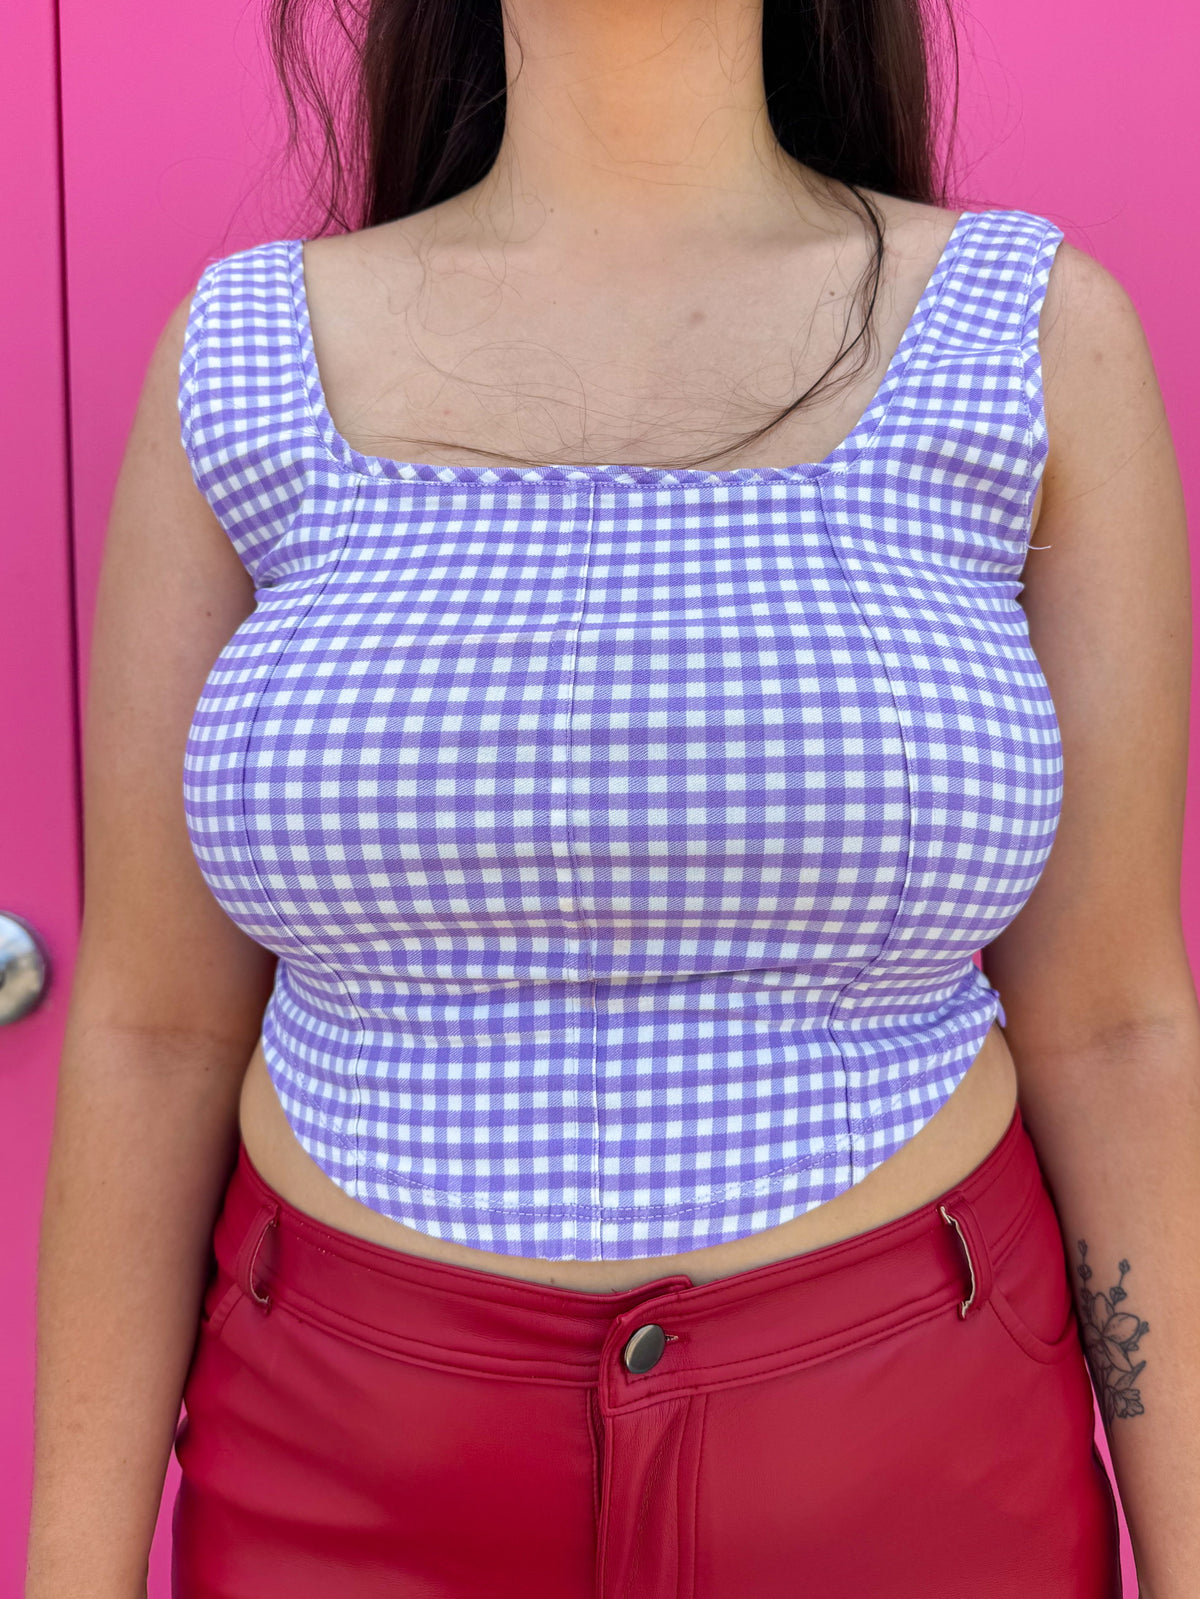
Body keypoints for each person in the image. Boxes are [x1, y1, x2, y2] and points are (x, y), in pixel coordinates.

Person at [25, 0, 1199, 1595]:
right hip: (336, 1490)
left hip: (916, 1482)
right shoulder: (242, 356)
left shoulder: (1035, 335)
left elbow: (1114, 1030)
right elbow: (156, 1032)